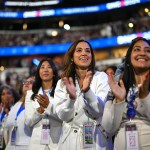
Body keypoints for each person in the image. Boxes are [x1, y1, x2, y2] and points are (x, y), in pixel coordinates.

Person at [54, 39, 112, 150]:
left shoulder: (101, 77)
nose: (84, 53)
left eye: (87, 51)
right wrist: (71, 99)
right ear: (72, 57)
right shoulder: (62, 83)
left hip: (96, 139)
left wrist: (87, 91)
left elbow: (99, 110)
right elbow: (63, 116)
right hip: (69, 141)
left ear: (91, 56)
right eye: (79, 50)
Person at [102, 37, 150, 150]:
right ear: (129, 56)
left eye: (148, 50)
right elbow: (108, 128)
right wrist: (119, 101)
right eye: (137, 49)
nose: (143, 53)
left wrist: (145, 97)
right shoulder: (118, 85)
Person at [24, 58, 62, 150]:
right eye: (42, 67)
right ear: (38, 72)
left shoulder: (61, 92)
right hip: (36, 145)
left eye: (49, 67)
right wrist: (39, 111)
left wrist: (48, 107)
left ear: (54, 72)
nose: (45, 70)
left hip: (57, 143)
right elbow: (28, 122)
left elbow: (65, 117)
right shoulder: (30, 94)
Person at [5, 76, 35, 150]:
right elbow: (9, 129)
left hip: (28, 146)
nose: (26, 84)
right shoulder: (16, 105)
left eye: (31, 82)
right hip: (11, 146)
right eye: (25, 82)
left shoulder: (36, 104)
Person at [0, 85, 20, 149]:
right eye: (3, 94)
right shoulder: (1, 112)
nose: (6, 96)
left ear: (13, 97)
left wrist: (7, 111)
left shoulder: (18, 110)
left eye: (8, 93)